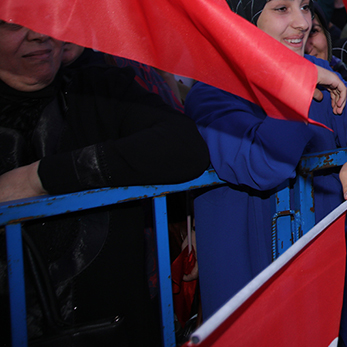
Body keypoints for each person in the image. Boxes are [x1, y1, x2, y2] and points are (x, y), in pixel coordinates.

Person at [186, 0, 347, 334]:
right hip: (252, 285)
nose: (302, 23)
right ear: (239, 18)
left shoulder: (319, 73)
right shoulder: (212, 93)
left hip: (321, 272)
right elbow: (261, 166)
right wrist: (296, 87)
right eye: (281, 9)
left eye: (304, 6)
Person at [0, 21, 210, 343]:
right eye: (15, 23)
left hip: (115, 327)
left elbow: (184, 146)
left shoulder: (99, 87)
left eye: (49, 16)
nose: (39, 34)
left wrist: (40, 178)